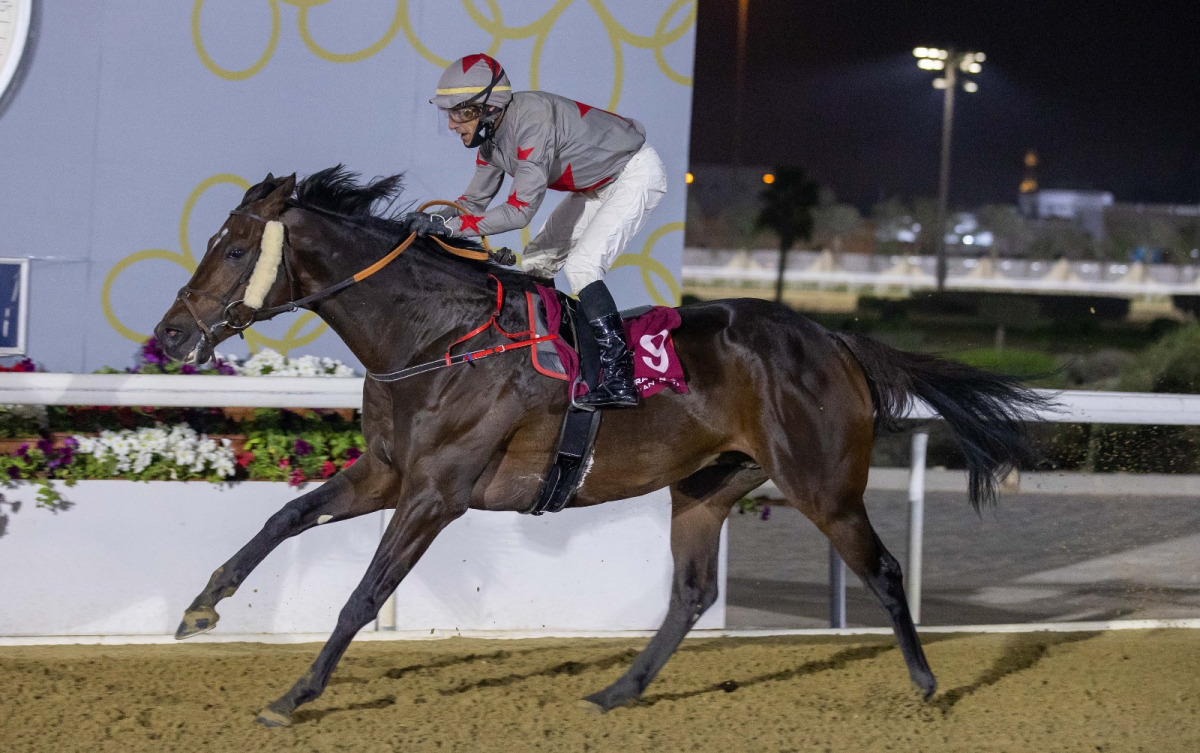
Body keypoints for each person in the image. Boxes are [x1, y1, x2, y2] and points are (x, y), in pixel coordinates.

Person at [406, 53, 667, 409]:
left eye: (459, 113)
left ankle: (619, 378)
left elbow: (519, 212)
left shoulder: (533, 122)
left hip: (633, 174)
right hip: (595, 186)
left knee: (582, 267)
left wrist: (452, 227)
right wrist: (437, 222)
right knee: (537, 262)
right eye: (449, 114)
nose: (451, 124)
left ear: (488, 107)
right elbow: (473, 202)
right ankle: (559, 354)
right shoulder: (491, 137)